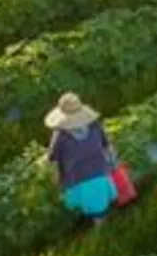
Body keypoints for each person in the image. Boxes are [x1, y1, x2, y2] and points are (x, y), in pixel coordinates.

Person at [46, 92, 118, 227]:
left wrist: (56, 179)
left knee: (88, 206)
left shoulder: (61, 135)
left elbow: (53, 159)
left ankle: (99, 235)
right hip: (98, 173)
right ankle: (101, 228)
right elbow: (107, 146)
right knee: (99, 208)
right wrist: (113, 164)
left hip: (76, 178)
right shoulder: (94, 126)